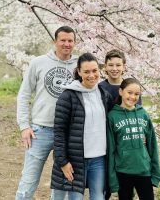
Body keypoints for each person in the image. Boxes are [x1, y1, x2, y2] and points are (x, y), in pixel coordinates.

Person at [16, 26, 78, 200]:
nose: (66, 44)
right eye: (63, 40)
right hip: (40, 131)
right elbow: (24, 94)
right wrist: (24, 126)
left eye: (70, 41)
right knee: (28, 182)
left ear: (74, 43)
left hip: (67, 133)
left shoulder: (78, 65)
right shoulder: (38, 62)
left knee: (60, 186)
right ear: (55, 42)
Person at [51, 52, 114, 200]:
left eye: (94, 71)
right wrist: (63, 161)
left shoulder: (104, 95)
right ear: (79, 72)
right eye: (86, 72)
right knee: (75, 198)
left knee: (98, 197)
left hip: (99, 158)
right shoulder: (68, 96)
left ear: (99, 70)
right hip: (76, 160)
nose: (91, 75)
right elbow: (59, 131)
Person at [107, 78, 160, 200]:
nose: (133, 97)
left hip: (144, 170)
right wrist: (112, 180)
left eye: (137, 94)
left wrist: (156, 172)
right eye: (129, 92)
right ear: (121, 92)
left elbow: (152, 145)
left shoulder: (143, 114)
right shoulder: (112, 116)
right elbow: (111, 150)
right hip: (123, 171)